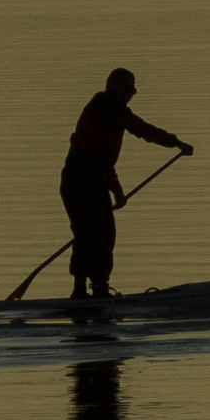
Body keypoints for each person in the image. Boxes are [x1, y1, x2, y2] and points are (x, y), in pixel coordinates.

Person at [63, 67, 190, 298]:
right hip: (84, 180)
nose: (130, 93)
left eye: (133, 89)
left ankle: (82, 290)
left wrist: (116, 189)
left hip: (77, 178)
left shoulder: (102, 107)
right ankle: (94, 290)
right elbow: (142, 130)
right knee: (100, 233)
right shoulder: (109, 108)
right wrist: (176, 143)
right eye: (126, 88)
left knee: (88, 233)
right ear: (112, 86)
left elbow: (100, 160)